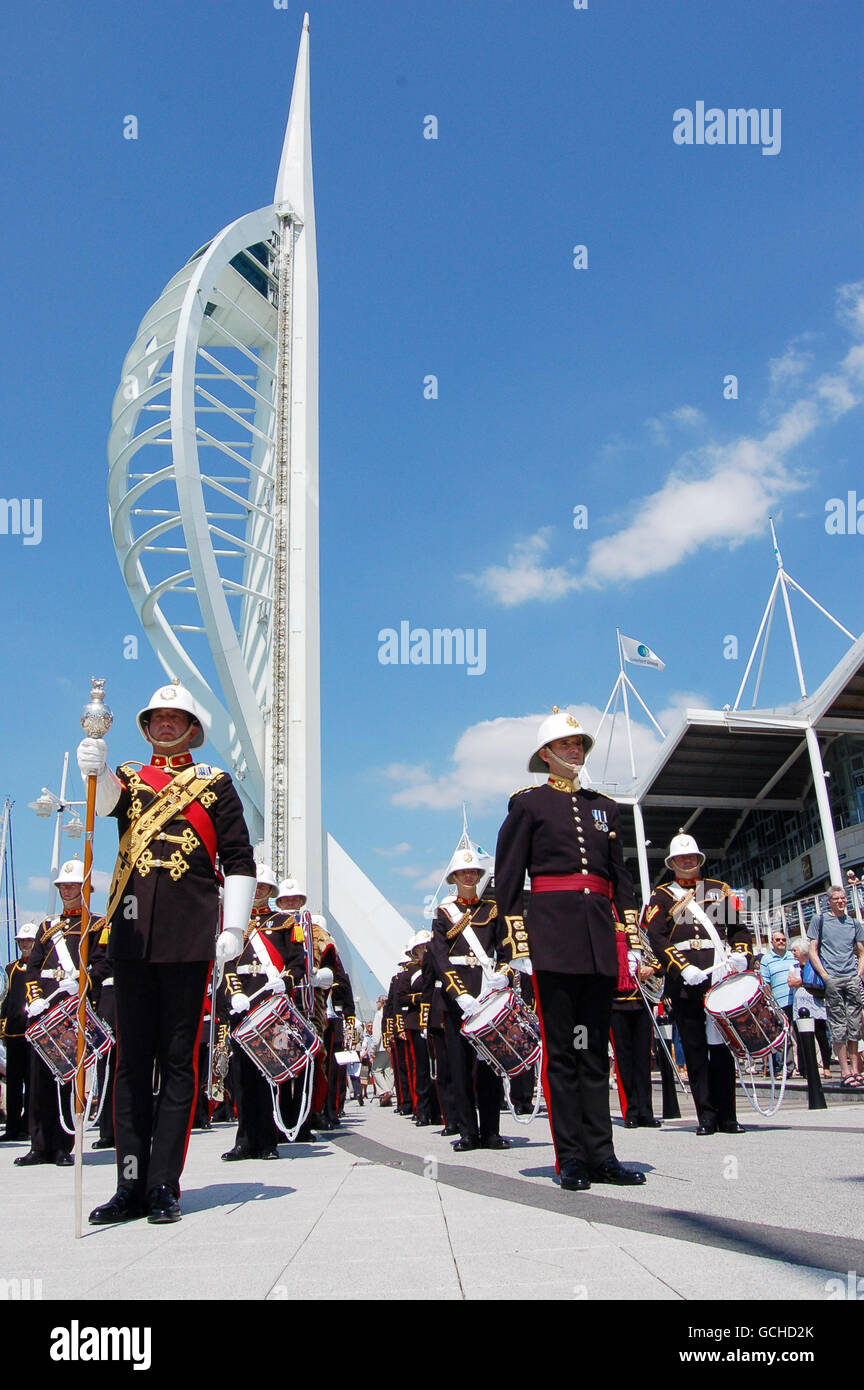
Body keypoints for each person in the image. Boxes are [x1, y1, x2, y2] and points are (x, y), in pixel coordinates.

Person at [77, 679, 256, 1224]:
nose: (165, 724)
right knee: (131, 1063)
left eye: (175, 718)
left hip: (186, 936)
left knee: (177, 1063)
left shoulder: (215, 784)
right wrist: (97, 764)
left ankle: (163, 1185)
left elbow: (240, 860)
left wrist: (235, 926)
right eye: (157, 718)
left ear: (192, 730)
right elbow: (106, 804)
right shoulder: (131, 777)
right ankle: (128, 1183)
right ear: (147, 725)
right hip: (130, 938)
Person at [494, 709, 645, 1190]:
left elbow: (619, 877)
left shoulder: (605, 807)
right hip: (553, 940)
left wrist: (632, 938)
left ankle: (603, 1155)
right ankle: (572, 1159)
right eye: (565, 745)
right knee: (563, 1052)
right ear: (545, 755)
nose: (575, 750)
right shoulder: (529, 804)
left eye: (580, 744)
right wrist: (516, 941)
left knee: (594, 1052)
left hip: (599, 940)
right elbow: (509, 877)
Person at [643, 831, 750, 1135]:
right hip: (686, 982)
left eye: (692, 857)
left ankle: (728, 1115)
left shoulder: (718, 890)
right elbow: (657, 937)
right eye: (681, 858)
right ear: (672, 862)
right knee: (694, 1048)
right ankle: (706, 1115)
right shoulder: (662, 896)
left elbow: (738, 930)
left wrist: (742, 954)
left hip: (718, 979)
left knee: (722, 1049)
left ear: (699, 859)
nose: (687, 861)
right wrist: (682, 967)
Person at [428, 835, 509, 1151]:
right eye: (464, 873)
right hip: (456, 997)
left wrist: (504, 976)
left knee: (489, 1066)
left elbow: (505, 949)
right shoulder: (444, 912)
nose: (469, 877)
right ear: (454, 878)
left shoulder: (492, 909)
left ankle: (491, 1131)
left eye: (474, 873)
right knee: (459, 1068)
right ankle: (467, 1132)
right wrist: (458, 992)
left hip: (487, 993)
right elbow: (438, 955)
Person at [220, 863, 305, 1161]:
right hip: (243, 1009)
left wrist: (285, 981)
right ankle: (245, 1140)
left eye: (263, 888)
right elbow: (225, 964)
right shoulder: (234, 926)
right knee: (242, 1078)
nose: (258, 892)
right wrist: (235, 993)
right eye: (254, 887)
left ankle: (269, 1141)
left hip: (273, 1009)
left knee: (271, 1076)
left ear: (271, 891)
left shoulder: (284, 923)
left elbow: (298, 963)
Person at [17, 859, 92, 1167]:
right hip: (44, 1010)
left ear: (85, 888)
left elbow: (103, 966)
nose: (67, 891)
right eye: (63, 886)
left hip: (71, 1012)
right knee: (38, 1082)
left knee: (65, 1081)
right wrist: (34, 996)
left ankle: (62, 1145)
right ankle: (39, 1145)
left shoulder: (96, 925)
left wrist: (83, 983)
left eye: (72, 885)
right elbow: (32, 967)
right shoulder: (47, 926)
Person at [808, 885, 864, 1088]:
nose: (841, 901)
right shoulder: (819, 920)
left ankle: (856, 1069)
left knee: (854, 1024)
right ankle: (845, 1071)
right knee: (838, 1025)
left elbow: (861, 950)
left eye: (843, 898)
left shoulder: (853, 923)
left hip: (851, 977)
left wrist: (858, 974)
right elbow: (812, 949)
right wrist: (824, 975)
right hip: (832, 977)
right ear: (829, 901)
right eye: (836, 898)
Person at [1, 923, 38, 1143]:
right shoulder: (10, 969)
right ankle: (13, 1127)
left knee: (32, 1083)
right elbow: (5, 1000)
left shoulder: (41, 968)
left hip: (33, 1035)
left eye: (29, 941)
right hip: (14, 1034)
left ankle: (29, 1125)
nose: (25, 945)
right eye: (22, 941)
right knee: (14, 1083)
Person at [787, 937, 832, 1078]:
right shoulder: (793, 967)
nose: (793, 953)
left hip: (815, 1004)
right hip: (800, 1005)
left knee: (821, 1036)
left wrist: (801, 981)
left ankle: (826, 1066)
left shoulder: (814, 964)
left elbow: (803, 981)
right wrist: (805, 981)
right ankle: (805, 1068)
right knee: (802, 1039)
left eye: (795, 950)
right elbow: (791, 982)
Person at [759, 929, 798, 1076]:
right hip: (779, 1003)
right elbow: (765, 983)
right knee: (784, 1037)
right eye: (778, 940)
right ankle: (786, 1068)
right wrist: (770, 1003)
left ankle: (806, 1068)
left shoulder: (792, 956)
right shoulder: (767, 959)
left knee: (801, 1035)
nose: (781, 942)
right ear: (772, 943)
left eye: (783, 940)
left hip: (796, 1001)